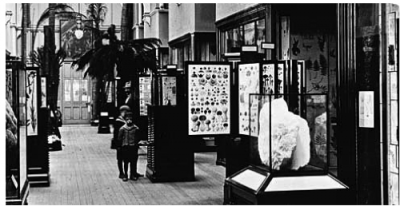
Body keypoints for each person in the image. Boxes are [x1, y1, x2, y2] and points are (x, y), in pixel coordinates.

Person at [117, 111, 143, 181]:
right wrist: (120, 147)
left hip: (133, 147)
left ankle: (132, 174)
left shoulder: (136, 128)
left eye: (130, 119)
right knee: (126, 162)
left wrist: (136, 144)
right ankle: (125, 174)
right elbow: (119, 138)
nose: (129, 120)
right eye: (127, 119)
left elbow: (138, 137)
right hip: (125, 147)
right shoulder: (122, 129)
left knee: (133, 162)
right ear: (125, 120)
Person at [113, 105, 130, 179]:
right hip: (120, 142)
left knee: (126, 158)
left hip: (127, 142)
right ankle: (121, 172)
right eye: (125, 112)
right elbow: (116, 134)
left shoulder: (128, 121)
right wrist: (117, 144)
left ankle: (125, 173)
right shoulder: (118, 122)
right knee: (120, 159)